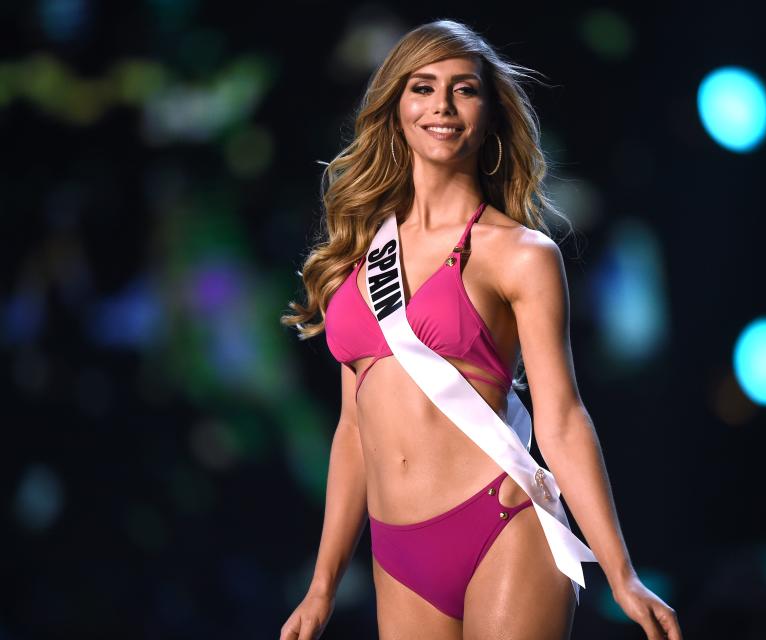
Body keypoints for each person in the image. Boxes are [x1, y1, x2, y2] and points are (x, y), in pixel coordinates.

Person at [279, 19, 682, 640]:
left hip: (502, 526)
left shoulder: (519, 253)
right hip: (398, 555)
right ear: (396, 106)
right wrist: (322, 585)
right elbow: (353, 430)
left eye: (463, 89)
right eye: (422, 87)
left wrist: (622, 574)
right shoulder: (353, 262)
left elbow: (563, 417)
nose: (441, 105)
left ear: (490, 114)